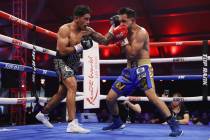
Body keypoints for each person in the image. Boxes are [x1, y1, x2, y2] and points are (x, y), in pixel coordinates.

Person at [99, 7, 183, 137]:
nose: (122, 24)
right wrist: (113, 28)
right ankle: (117, 122)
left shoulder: (141, 33)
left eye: (124, 21)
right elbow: (104, 42)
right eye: (120, 21)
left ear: (132, 20)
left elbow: (132, 53)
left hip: (142, 69)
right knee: (110, 98)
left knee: (152, 97)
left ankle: (174, 125)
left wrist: (122, 38)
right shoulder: (122, 29)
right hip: (128, 72)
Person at [35, 5, 95, 134]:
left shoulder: (86, 30)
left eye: (89, 19)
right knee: (73, 86)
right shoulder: (64, 29)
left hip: (73, 64)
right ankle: (72, 123)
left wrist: (115, 31)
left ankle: (42, 113)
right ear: (76, 18)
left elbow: (103, 39)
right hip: (61, 62)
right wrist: (80, 47)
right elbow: (62, 51)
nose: (88, 22)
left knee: (62, 93)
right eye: (85, 19)